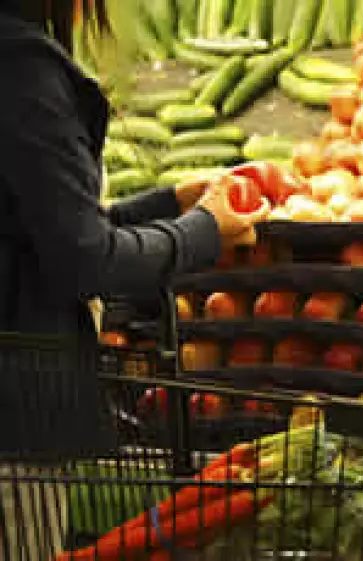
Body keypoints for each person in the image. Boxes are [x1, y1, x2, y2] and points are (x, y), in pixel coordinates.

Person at [0, 1, 269, 559]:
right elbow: (85, 262)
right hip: (17, 417)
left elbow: (43, 233)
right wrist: (202, 233)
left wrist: (169, 207)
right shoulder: (23, 69)